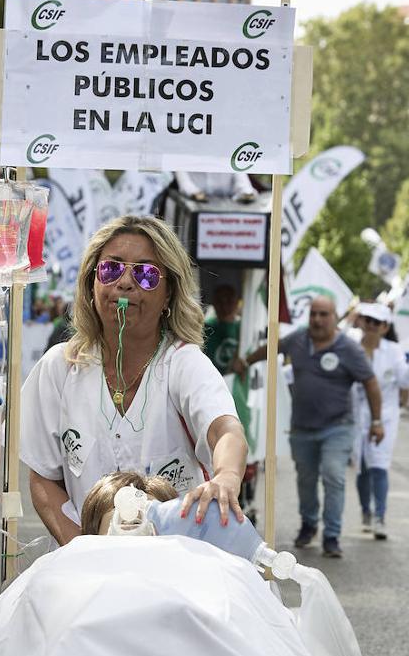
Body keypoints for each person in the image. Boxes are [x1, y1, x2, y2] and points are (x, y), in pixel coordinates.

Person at [20, 215, 249, 547]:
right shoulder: (58, 367)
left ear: (169, 294)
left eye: (146, 274)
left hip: (174, 569)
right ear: (91, 284)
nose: (125, 282)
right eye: (111, 269)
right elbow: (43, 477)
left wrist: (227, 476)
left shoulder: (183, 363)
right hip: (84, 574)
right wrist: (82, 550)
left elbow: (225, 430)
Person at [234, 295, 380, 559]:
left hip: (338, 426)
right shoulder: (298, 340)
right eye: (313, 314)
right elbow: (272, 348)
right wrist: (245, 363)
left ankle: (332, 536)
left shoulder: (349, 348)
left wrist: (377, 422)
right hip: (302, 428)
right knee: (306, 479)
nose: (317, 319)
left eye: (324, 314)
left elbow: (370, 382)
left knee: (334, 475)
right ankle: (309, 524)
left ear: (335, 318)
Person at [349, 303, 409, 540]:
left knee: (379, 465)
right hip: (356, 416)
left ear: (384, 327)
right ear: (361, 322)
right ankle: (366, 512)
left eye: (376, 322)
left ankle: (380, 517)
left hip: (386, 417)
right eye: (367, 320)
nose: (370, 326)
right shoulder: (350, 345)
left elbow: (404, 381)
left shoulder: (393, 350)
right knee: (361, 468)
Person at [202, 284, 241, 375]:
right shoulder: (205, 329)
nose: (224, 307)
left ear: (236, 303)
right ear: (214, 303)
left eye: (229, 301)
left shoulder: (243, 329)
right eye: (220, 302)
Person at [175, 171, 257, 203]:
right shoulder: (185, 155)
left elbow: (244, 187)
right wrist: (195, 194)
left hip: (227, 213)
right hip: (195, 207)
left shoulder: (231, 156)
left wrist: (246, 194)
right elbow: (185, 185)